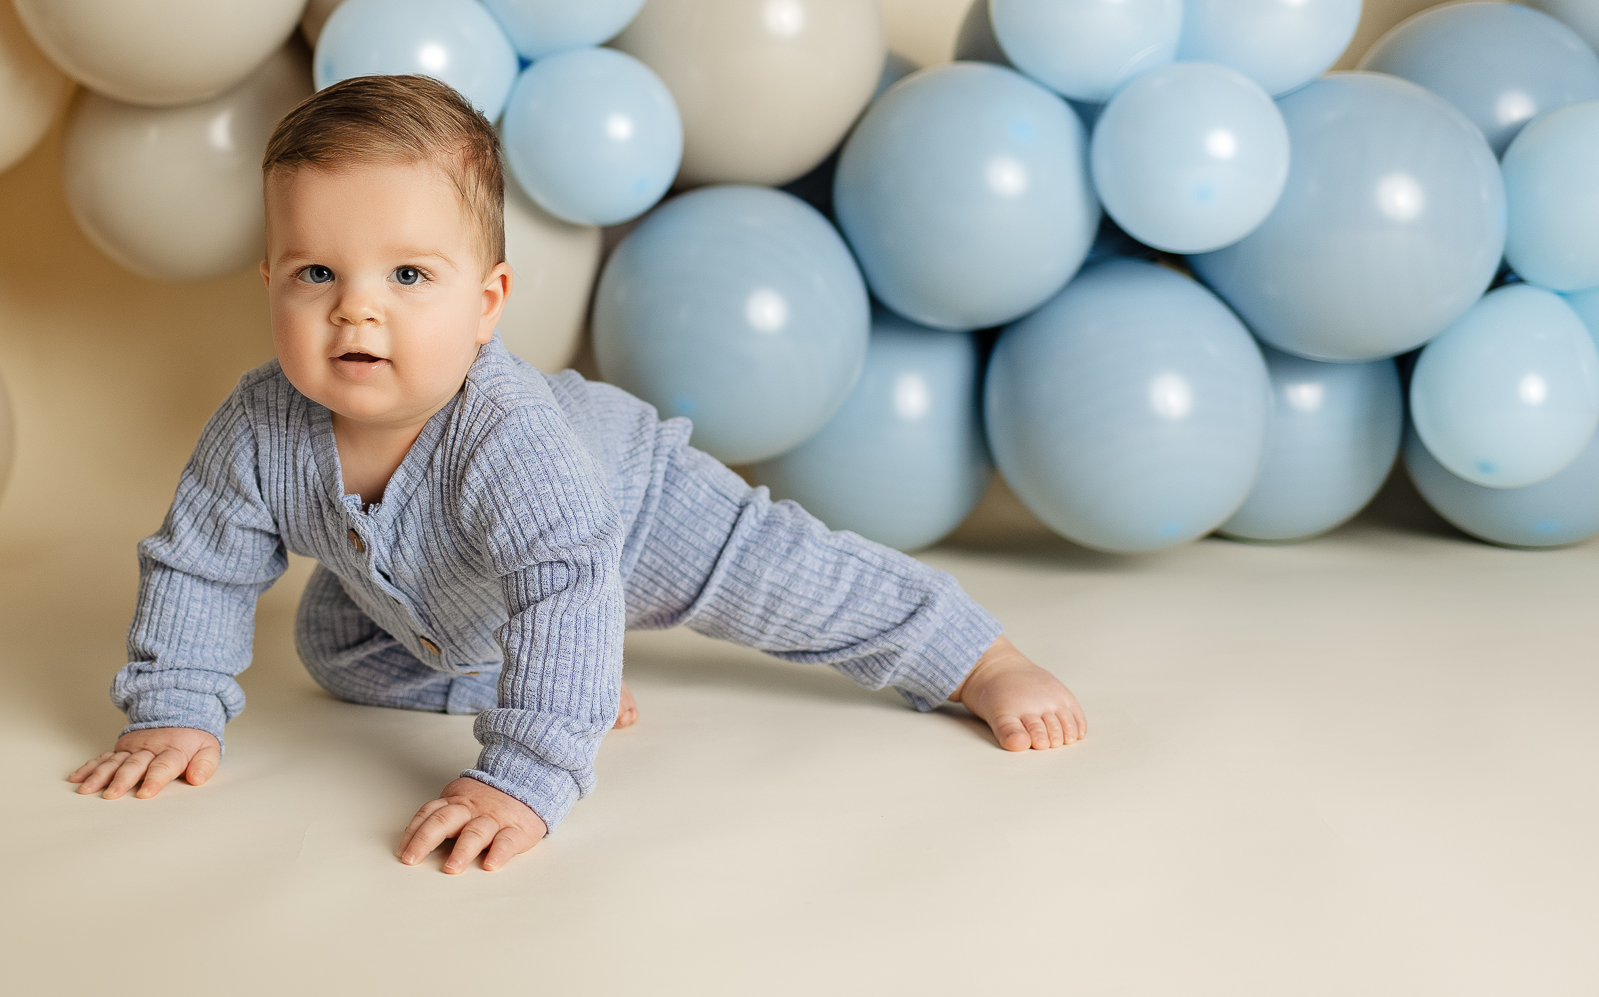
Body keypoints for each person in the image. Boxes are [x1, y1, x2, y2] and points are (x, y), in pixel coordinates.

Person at [69, 73, 1086, 874]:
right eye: (316, 273)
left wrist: (521, 773)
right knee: (333, 645)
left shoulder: (504, 435)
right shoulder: (259, 422)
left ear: (488, 298)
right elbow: (198, 562)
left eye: (409, 274)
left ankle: (971, 653)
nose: (356, 309)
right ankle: (568, 679)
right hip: (425, 595)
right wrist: (173, 703)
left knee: (796, 582)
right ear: (271, 282)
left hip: (631, 511)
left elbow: (561, 585)